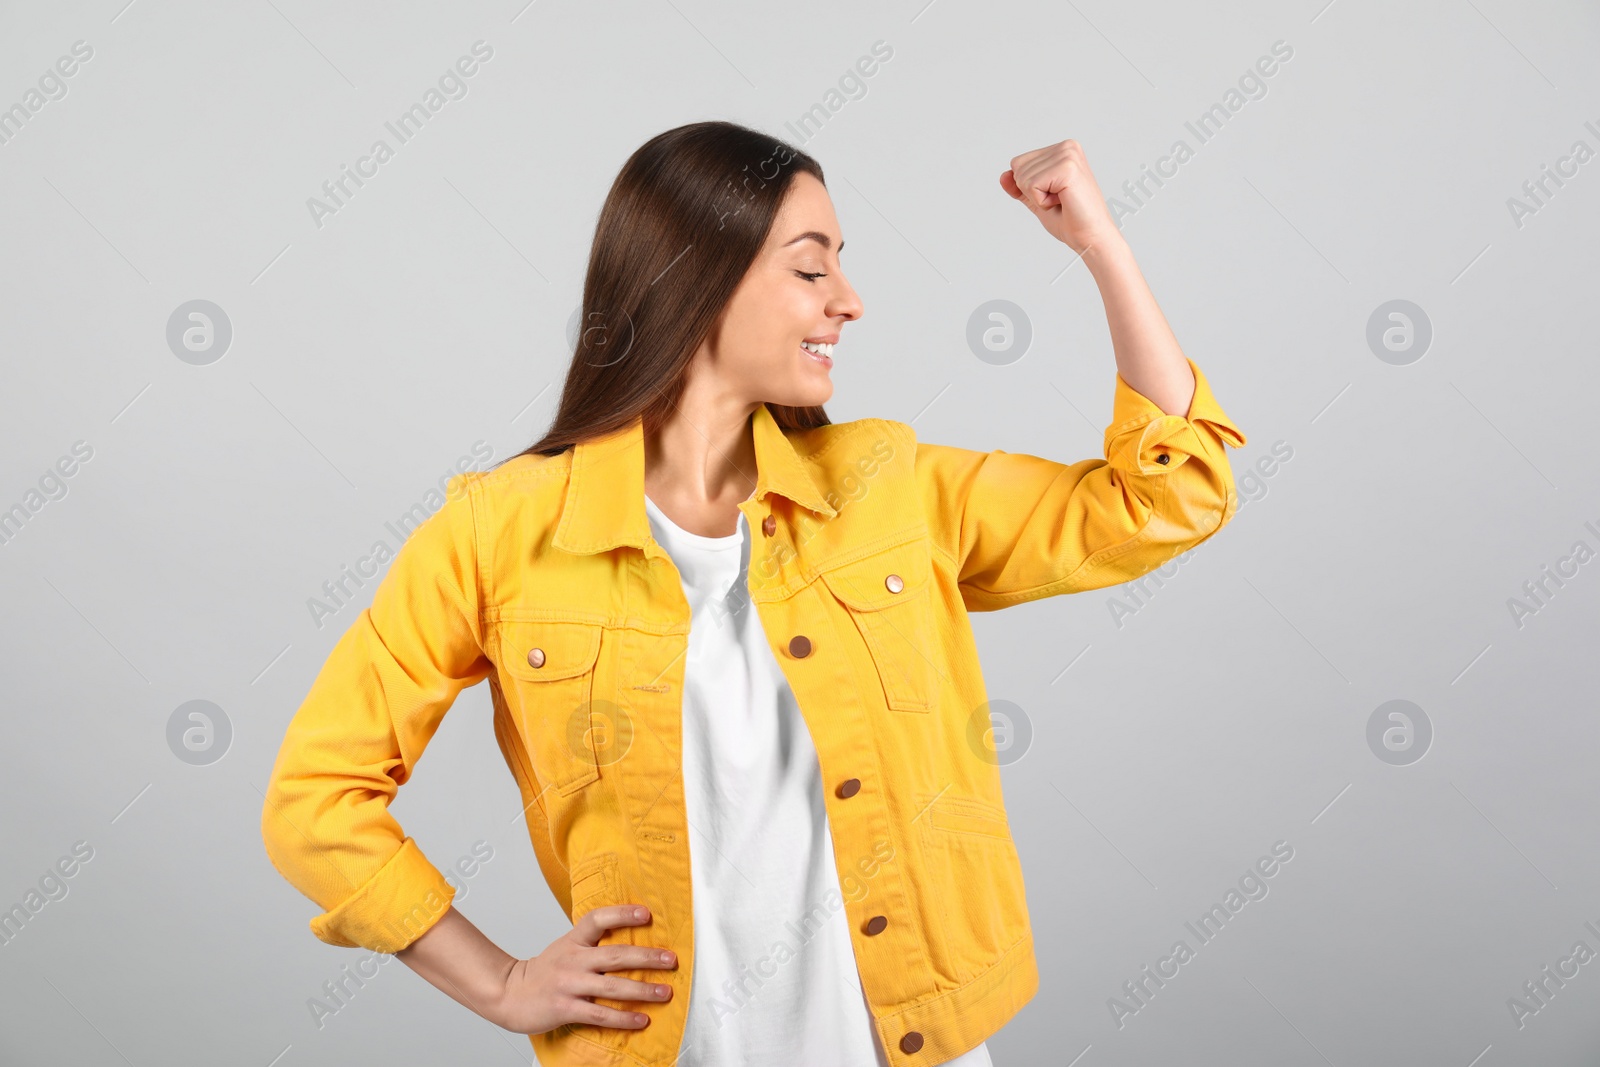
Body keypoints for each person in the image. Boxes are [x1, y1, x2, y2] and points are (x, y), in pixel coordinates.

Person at [261, 120, 1247, 1066]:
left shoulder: (885, 485)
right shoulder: (500, 528)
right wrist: (503, 982)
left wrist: (1100, 245)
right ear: (695, 280)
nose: (849, 299)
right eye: (812, 267)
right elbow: (316, 797)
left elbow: (1167, 497)